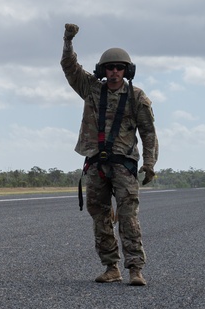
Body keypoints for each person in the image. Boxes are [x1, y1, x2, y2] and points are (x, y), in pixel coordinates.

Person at [62, 23, 157, 286]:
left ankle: (135, 269)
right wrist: (68, 41)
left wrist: (149, 164)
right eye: (110, 67)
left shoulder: (137, 98)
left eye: (120, 68)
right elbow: (70, 68)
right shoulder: (91, 89)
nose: (115, 72)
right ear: (102, 71)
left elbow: (148, 132)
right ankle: (110, 267)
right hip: (95, 165)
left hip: (124, 166)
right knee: (100, 216)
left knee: (128, 218)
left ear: (128, 71)